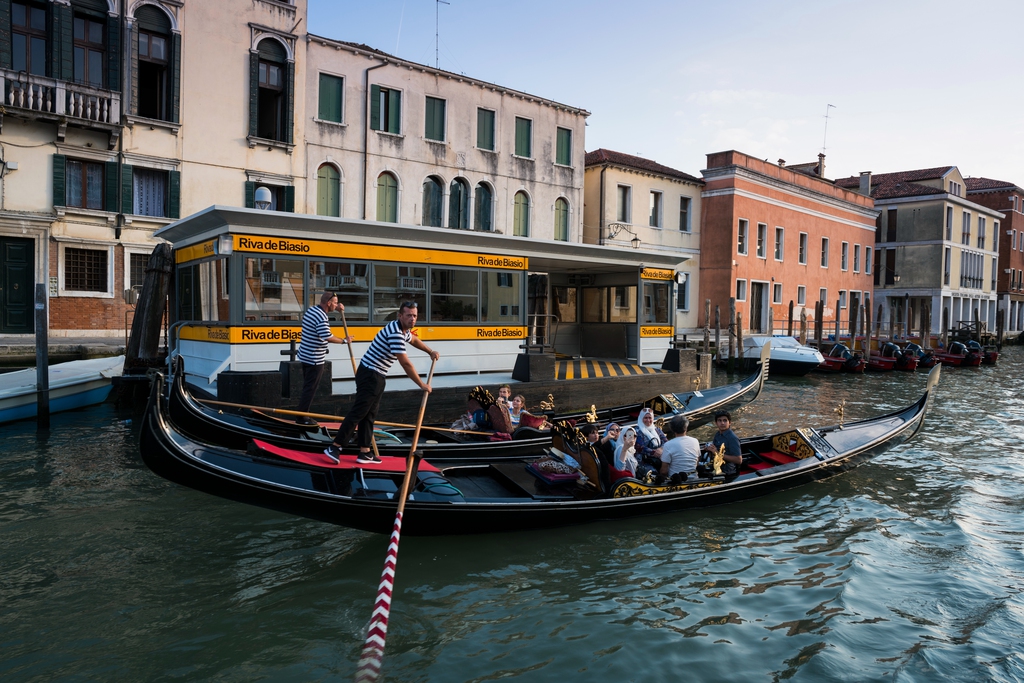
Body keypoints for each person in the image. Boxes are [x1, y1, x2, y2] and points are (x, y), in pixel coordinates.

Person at [324, 301, 440, 464]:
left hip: (375, 375)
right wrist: (421, 384)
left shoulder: (402, 329)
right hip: (371, 374)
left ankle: (364, 451)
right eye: (408, 315)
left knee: (369, 414)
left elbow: (413, 339)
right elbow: (405, 363)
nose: (412, 319)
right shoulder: (395, 333)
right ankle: (335, 447)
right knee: (359, 412)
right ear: (400, 316)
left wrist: (430, 351)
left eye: (414, 316)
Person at [295, 291, 353, 424]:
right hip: (314, 359)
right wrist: (344, 341)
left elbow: (321, 328)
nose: (337, 305)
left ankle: (302, 414)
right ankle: (302, 417)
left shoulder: (312, 310)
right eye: (335, 303)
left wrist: (336, 308)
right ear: (328, 303)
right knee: (310, 389)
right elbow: (327, 336)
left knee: (307, 387)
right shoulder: (321, 316)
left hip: (305, 356)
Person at [659, 415, 700, 483]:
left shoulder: (668, 445)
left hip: (676, 482)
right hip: (694, 480)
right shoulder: (695, 441)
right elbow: (697, 463)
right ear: (686, 428)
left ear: (672, 429)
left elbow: (664, 471)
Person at [703, 410, 743, 476]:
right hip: (715, 466)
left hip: (727, 471)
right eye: (719, 420)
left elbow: (738, 460)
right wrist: (709, 449)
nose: (722, 423)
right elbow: (715, 450)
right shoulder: (717, 434)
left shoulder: (732, 438)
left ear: (729, 422)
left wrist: (717, 453)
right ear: (716, 423)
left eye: (725, 420)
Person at [635, 408, 667, 476]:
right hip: (644, 460)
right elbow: (640, 447)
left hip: (659, 456)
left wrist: (661, 449)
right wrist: (654, 452)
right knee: (653, 474)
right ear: (641, 418)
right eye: (645, 418)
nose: (648, 420)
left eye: (650, 418)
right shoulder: (637, 431)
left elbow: (665, 441)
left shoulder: (657, 429)